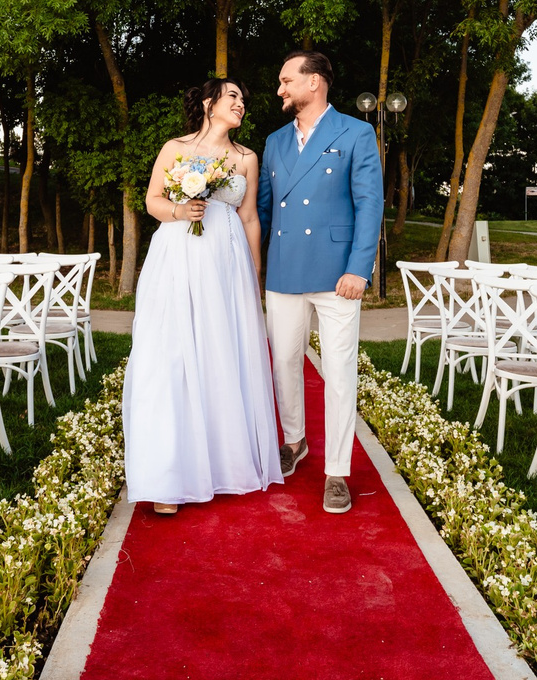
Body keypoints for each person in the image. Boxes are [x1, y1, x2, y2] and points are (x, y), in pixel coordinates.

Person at [123, 77, 282, 515]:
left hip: (226, 262)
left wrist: (253, 275)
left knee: (220, 352)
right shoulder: (175, 148)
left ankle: (221, 465)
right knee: (170, 353)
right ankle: (169, 476)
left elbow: (249, 218)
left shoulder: (247, 157)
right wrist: (180, 210)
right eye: (233, 96)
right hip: (177, 254)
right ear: (210, 103)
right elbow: (153, 199)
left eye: (244, 99)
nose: (241, 104)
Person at [258, 51, 385, 516]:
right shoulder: (274, 141)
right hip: (286, 268)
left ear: (314, 83)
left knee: (339, 371)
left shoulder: (356, 132)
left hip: (338, 274)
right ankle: (295, 441)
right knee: (284, 363)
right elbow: (265, 211)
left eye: (286, 80)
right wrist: (255, 266)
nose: (280, 90)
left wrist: (359, 268)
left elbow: (369, 204)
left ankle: (337, 471)